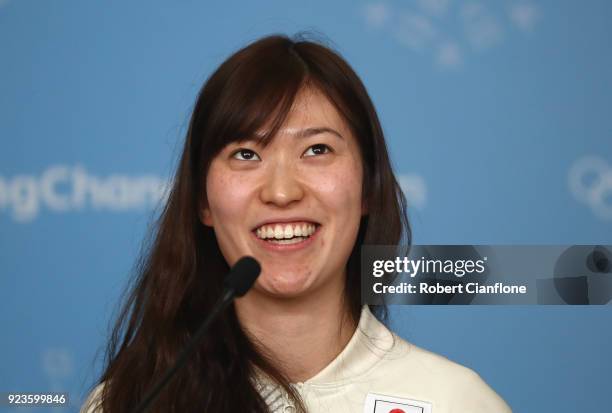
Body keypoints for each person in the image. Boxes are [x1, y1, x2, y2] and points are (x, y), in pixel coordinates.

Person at [82, 34, 512, 413]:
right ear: (203, 203)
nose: (282, 192)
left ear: (367, 189)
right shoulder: (131, 402)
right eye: (246, 154)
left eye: (317, 150)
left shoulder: (454, 402)